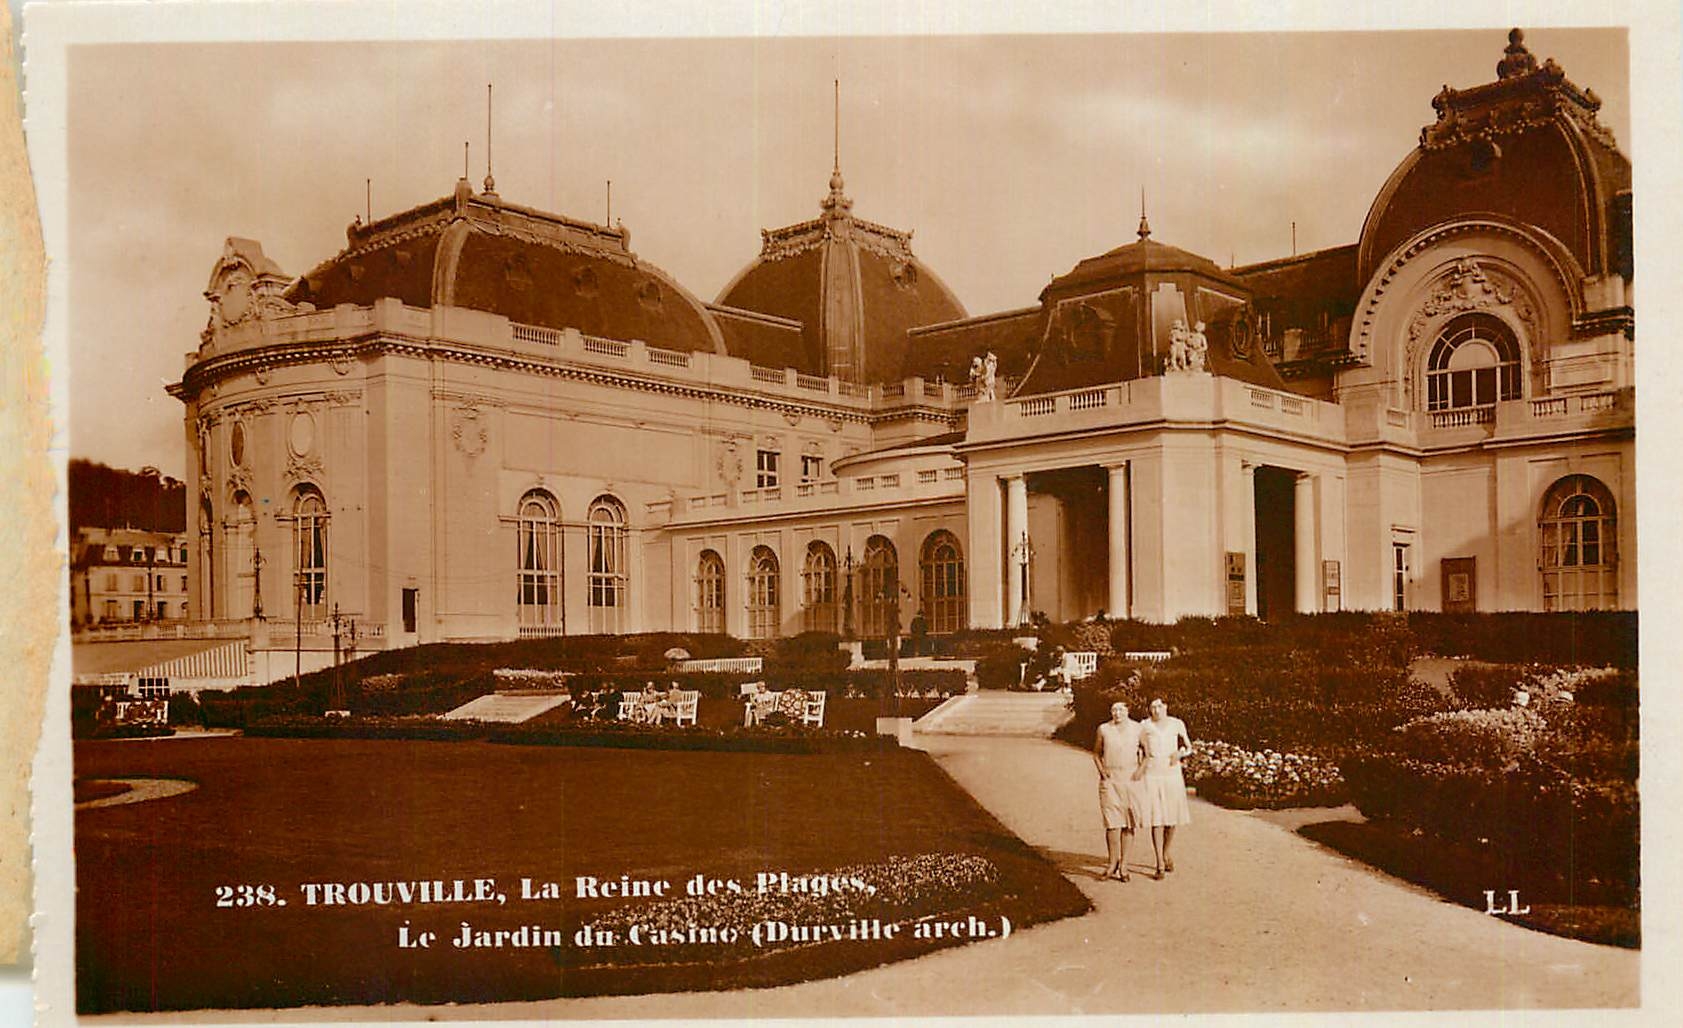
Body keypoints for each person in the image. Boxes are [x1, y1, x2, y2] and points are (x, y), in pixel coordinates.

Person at [1093, 700, 1149, 882]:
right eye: (1114, 710)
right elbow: (1096, 753)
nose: (1117, 713)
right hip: (1111, 780)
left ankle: (1124, 865)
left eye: (1121, 709)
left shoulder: (1138, 728)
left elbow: (1147, 754)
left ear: (1127, 711)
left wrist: (1140, 771)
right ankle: (1112, 863)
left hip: (1131, 780)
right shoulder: (1103, 729)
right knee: (1112, 824)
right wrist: (1102, 771)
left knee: (1128, 823)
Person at [1140, 697, 1193, 878]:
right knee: (1156, 817)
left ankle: (1166, 851)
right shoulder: (1145, 725)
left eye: (1159, 706)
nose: (1156, 710)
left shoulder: (1176, 723)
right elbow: (1138, 748)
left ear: (1166, 707)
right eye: (1153, 707)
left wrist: (1180, 753)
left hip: (1171, 773)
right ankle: (1159, 863)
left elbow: (1189, 746)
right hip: (1152, 774)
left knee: (1171, 818)